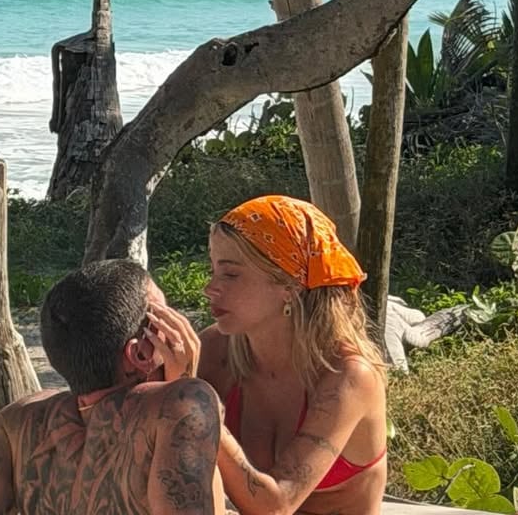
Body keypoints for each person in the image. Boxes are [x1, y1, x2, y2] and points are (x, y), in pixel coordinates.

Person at [162, 195, 389, 515]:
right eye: (213, 270)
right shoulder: (215, 350)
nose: (210, 288)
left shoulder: (349, 377)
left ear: (290, 284)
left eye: (230, 274)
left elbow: (277, 505)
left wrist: (193, 397)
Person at [0, 258, 226, 515]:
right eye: (164, 320)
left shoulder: (18, 422)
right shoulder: (182, 405)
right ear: (140, 355)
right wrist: (185, 385)